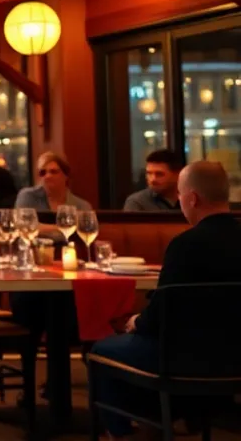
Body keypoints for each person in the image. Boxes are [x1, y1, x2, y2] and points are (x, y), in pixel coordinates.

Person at [89, 160, 241, 437]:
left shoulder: (185, 245)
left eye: (182, 196)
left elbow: (162, 317)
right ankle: (177, 417)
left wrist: (136, 321)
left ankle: (124, 433)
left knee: (103, 350)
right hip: (237, 355)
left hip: (180, 359)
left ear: (192, 199)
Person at [15, 152, 92, 211]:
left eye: (53, 171)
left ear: (66, 175)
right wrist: (64, 227)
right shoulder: (28, 196)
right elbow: (23, 225)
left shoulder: (82, 206)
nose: (48, 176)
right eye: (43, 172)